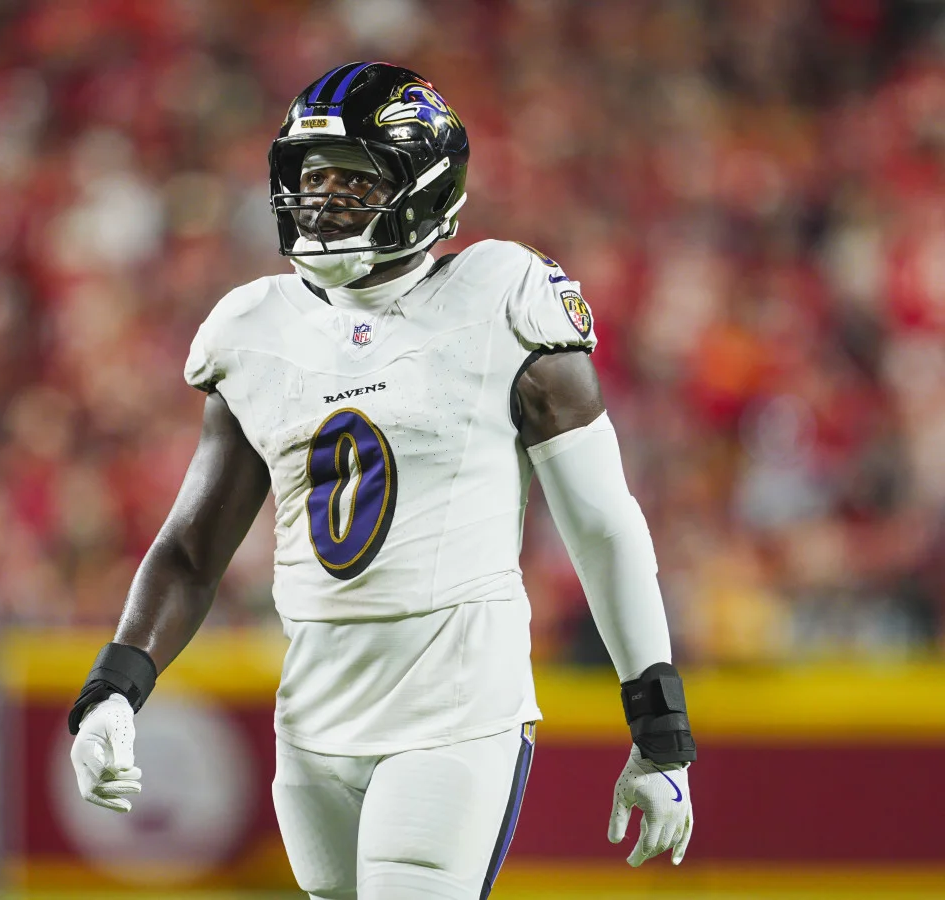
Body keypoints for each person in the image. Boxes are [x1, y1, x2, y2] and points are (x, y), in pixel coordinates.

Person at [67, 62, 696, 900]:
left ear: (426, 189)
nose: (324, 200)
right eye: (312, 177)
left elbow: (604, 527)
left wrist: (659, 726)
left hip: (453, 712)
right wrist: (113, 690)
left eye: (355, 179)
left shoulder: (501, 299)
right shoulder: (255, 329)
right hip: (313, 719)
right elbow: (191, 550)